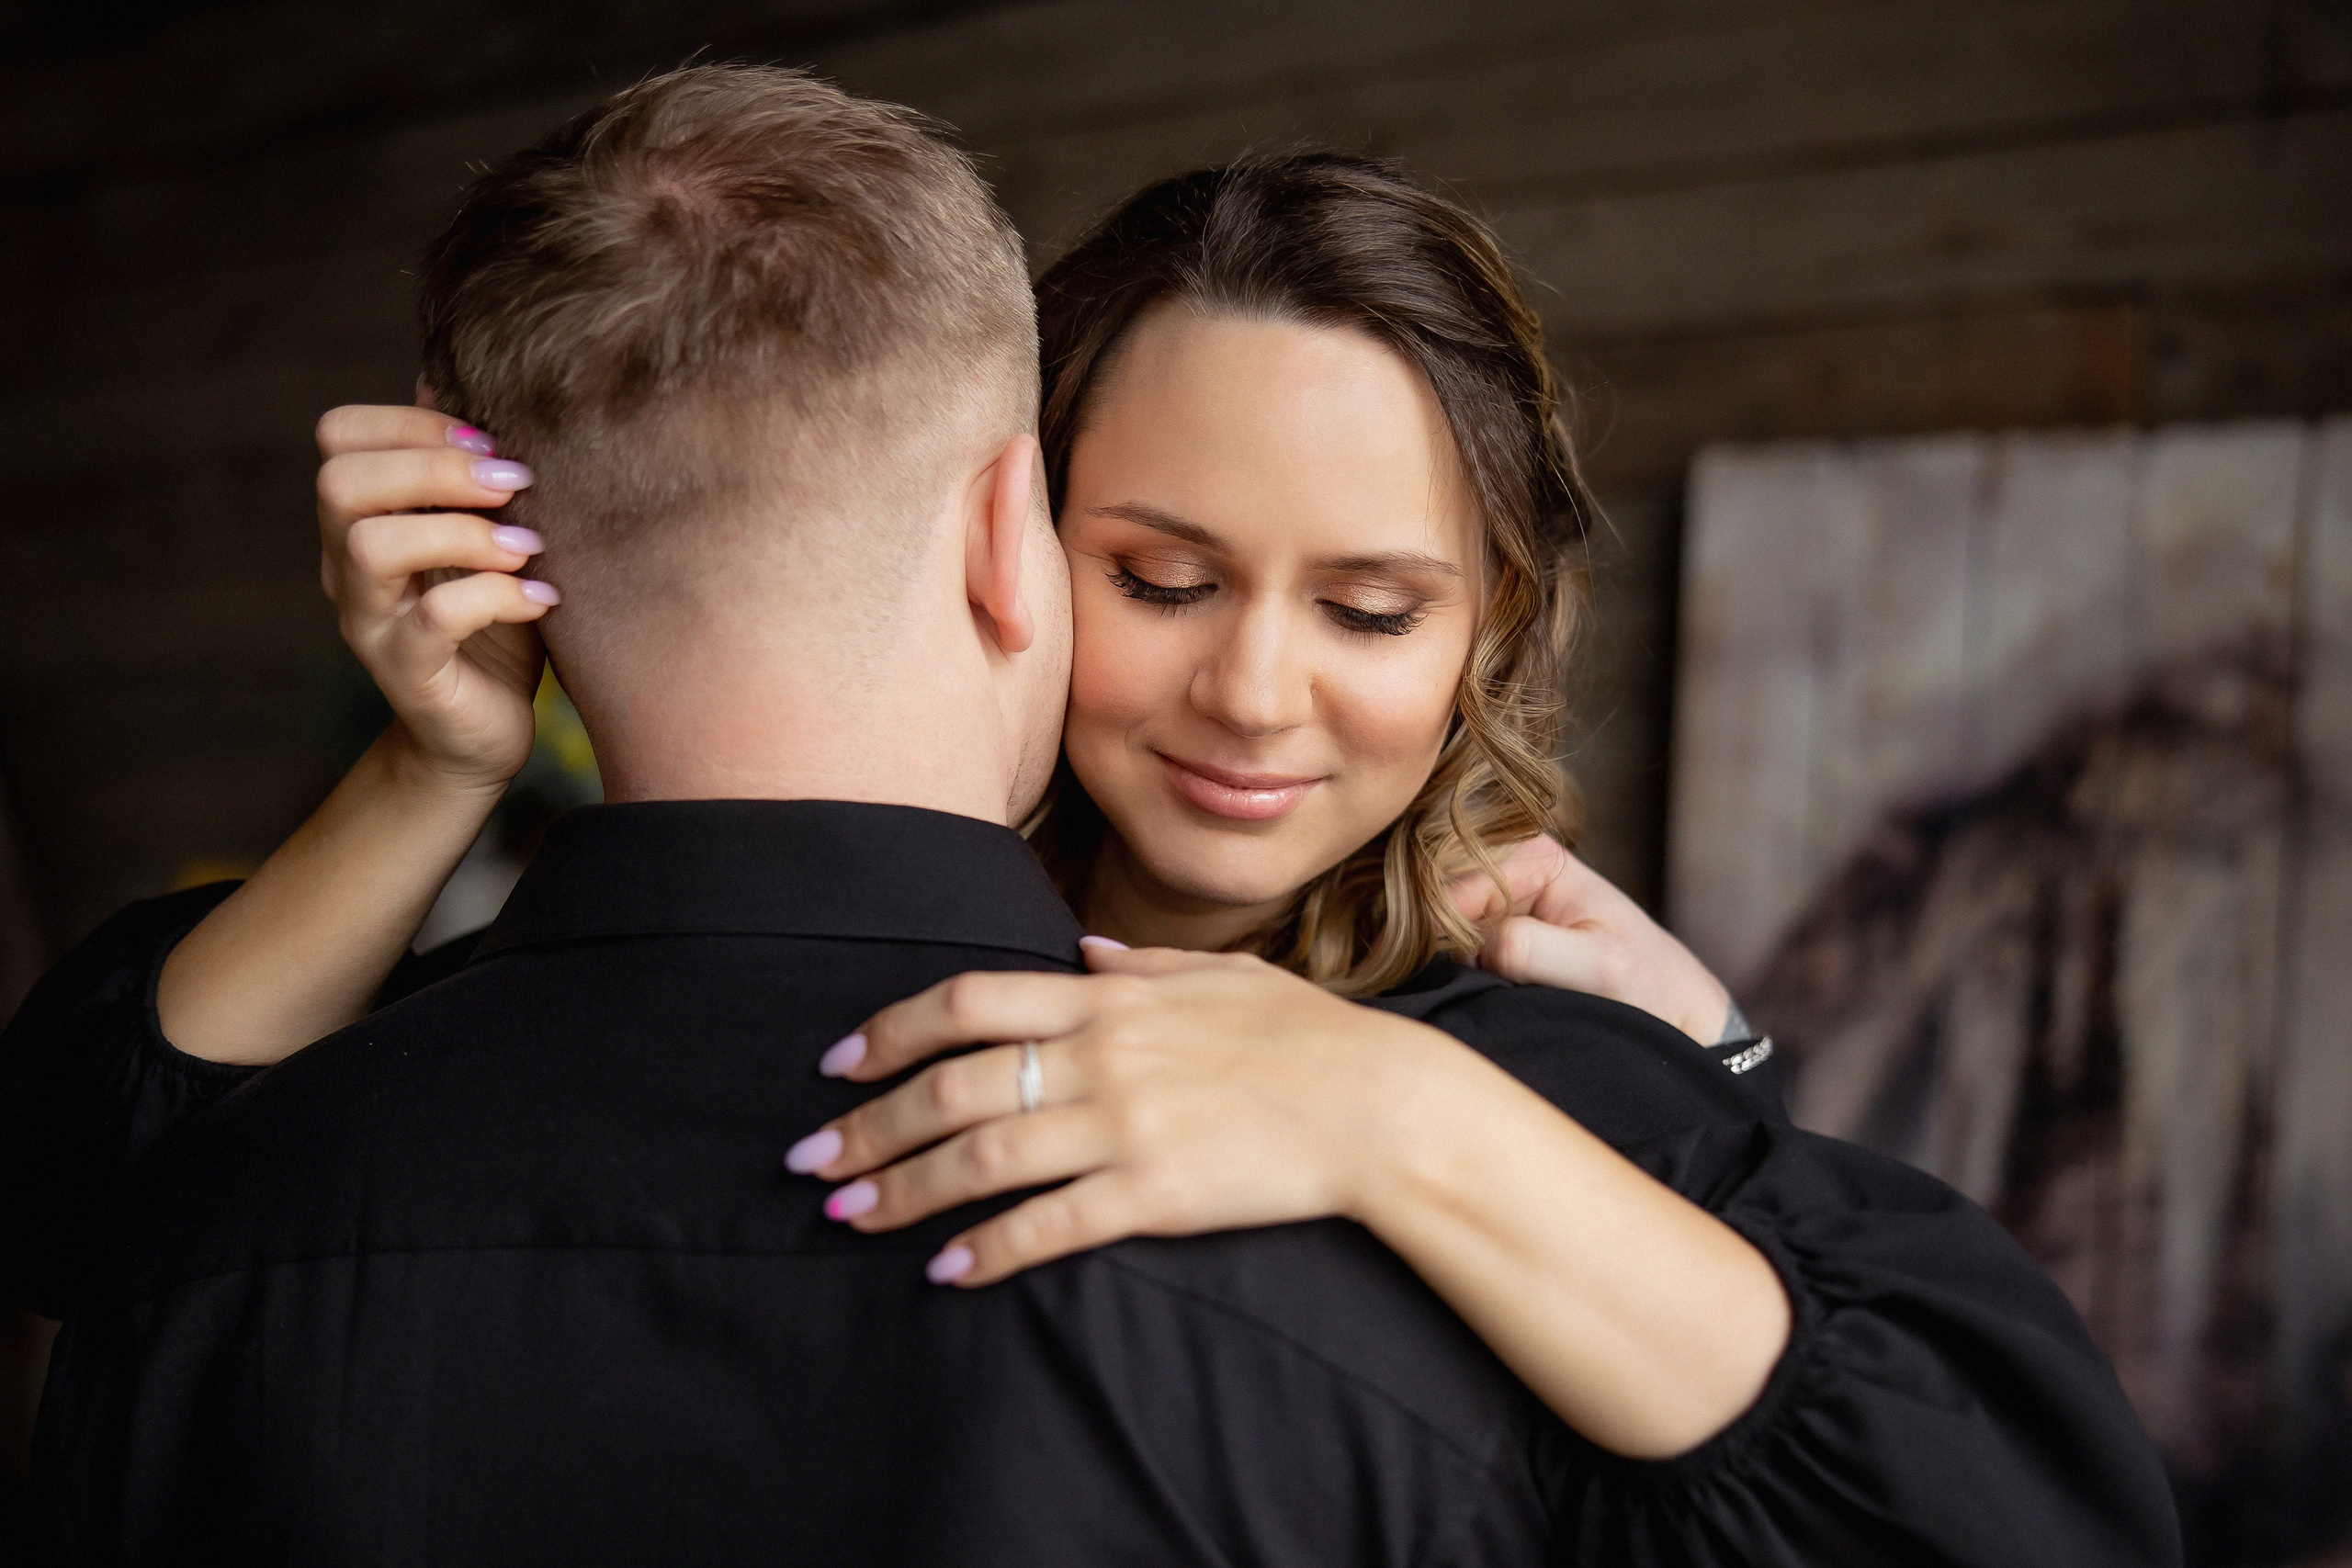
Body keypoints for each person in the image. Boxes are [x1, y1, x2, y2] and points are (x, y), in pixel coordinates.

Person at [0, 67, 2178, 1568]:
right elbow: (88, 1185)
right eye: (1160, 574)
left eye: (1368, 603)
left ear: (1487, 633)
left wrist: (1479, 1110)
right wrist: (436, 759)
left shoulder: (1559, 1068)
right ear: (1012, 537)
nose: (1248, 689)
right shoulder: (487, 1045)